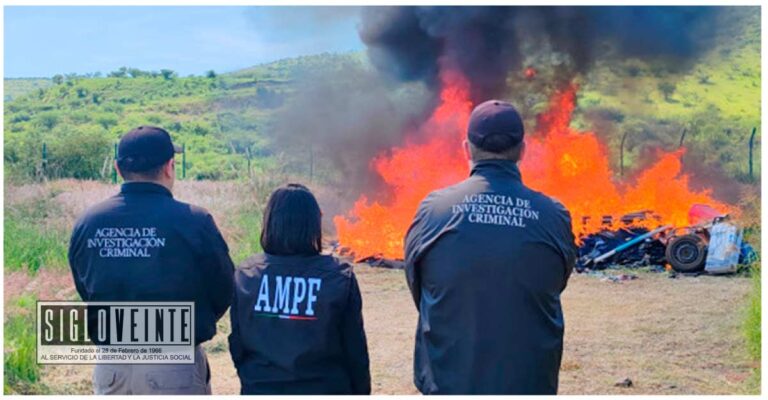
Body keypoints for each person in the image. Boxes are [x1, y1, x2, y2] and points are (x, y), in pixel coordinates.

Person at [404, 100, 577, 394]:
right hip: (529, 381)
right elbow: (554, 282)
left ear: (466, 149)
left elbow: (419, 286)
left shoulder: (434, 210)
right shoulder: (553, 214)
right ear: (522, 150)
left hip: (449, 380)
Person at [68, 126, 234, 395]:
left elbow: (85, 285)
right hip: (173, 364)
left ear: (118, 169)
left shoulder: (88, 222)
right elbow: (223, 289)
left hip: (112, 366)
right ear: (170, 167)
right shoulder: (194, 221)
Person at [229, 183, 370, 395]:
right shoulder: (338, 277)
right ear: (313, 224)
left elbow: (238, 343)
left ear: (270, 221)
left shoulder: (246, 275)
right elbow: (355, 350)